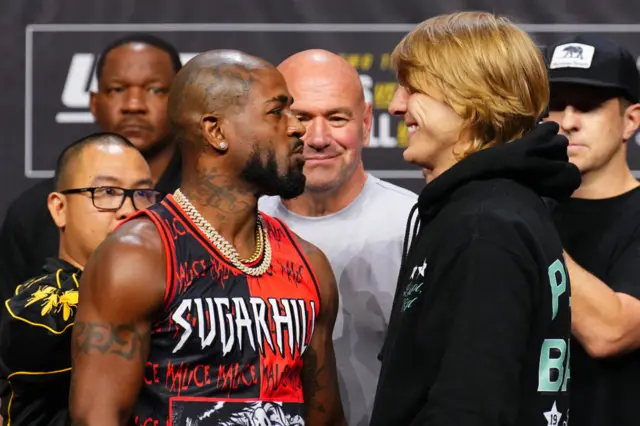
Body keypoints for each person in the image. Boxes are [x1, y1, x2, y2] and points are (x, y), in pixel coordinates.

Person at [68, 49, 347, 426]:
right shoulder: (138, 257)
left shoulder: (309, 264)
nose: (297, 128)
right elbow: (96, 417)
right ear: (216, 132)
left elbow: (325, 418)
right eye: (276, 111)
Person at [370, 12, 582, 426]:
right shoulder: (499, 205)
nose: (396, 106)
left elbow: (470, 407)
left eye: (413, 90)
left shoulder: (484, 223)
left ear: (470, 101)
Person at [258, 49, 417, 425]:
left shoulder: (415, 224)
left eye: (336, 118)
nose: (317, 138)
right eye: (300, 117)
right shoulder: (243, 223)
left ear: (364, 122)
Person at [0, 33, 183, 301]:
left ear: (180, 103)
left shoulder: (206, 206)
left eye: (155, 90)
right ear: (94, 103)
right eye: (117, 90)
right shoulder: (32, 213)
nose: (134, 105)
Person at [0, 132, 160, 426]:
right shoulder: (35, 310)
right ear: (59, 208)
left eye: (142, 194)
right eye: (107, 192)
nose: (129, 210)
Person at [544, 34, 640, 426]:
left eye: (588, 106)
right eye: (555, 107)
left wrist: (527, 218)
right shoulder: (520, 211)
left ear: (631, 120)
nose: (568, 122)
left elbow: (610, 332)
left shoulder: (524, 218)